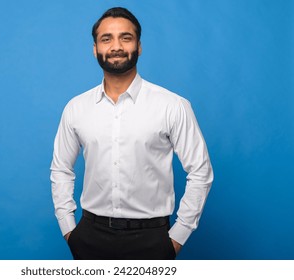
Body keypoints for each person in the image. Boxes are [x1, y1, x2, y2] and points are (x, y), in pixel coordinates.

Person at [50, 7, 213, 260]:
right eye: (107, 39)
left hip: (152, 240)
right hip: (89, 237)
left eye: (126, 38)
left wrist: (177, 237)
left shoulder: (172, 105)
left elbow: (200, 171)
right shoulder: (76, 108)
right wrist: (69, 229)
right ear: (95, 48)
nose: (116, 46)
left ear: (139, 46)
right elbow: (61, 169)